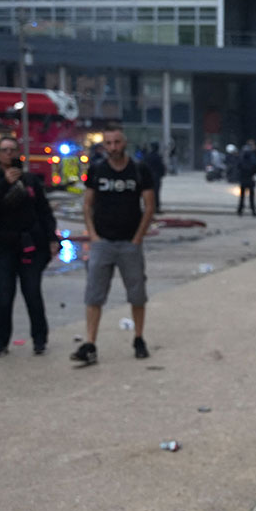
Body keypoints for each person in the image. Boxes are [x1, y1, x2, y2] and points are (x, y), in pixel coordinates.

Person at [72, 125, 156, 365]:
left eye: (117, 142)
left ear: (124, 143)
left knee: (137, 294)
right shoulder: (97, 169)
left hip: (130, 242)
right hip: (103, 242)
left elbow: (149, 206)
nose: (113, 147)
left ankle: (138, 338)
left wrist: (138, 237)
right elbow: (87, 204)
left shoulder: (139, 170)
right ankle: (90, 343)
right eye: (108, 143)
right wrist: (93, 235)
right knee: (94, 295)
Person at [0, 136, 60, 357]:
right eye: (4, 150)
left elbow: (43, 211)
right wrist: (5, 183)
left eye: (12, 150)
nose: (9, 154)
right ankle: (0, 341)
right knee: (4, 295)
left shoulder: (29, 180)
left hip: (29, 245)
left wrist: (52, 238)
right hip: (1, 247)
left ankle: (39, 339)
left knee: (32, 292)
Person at [237, 141, 256, 216]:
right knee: (251, 197)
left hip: (244, 179)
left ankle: (240, 210)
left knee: (242, 196)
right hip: (250, 178)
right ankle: (253, 211)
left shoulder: (242, 158)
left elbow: (238, 167)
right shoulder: (252, 159)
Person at [143, 141, 166, 213]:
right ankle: (156, 208)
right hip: (156, 177)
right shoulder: (158, 157)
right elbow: (161, 167)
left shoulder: (147, 156)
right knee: (156, 193)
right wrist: (162, 174)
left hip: (148, 177)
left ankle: (148, 207)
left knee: (148, 193)